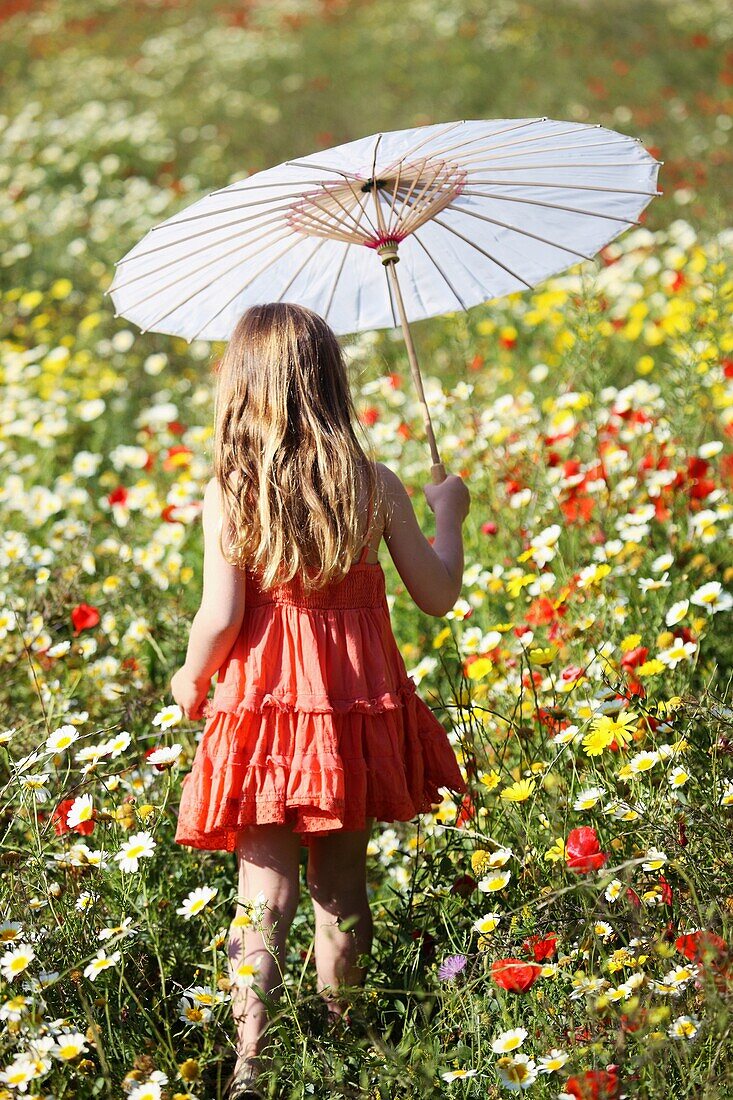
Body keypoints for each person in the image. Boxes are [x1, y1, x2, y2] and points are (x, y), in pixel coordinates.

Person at [170, 302, 470, 1099]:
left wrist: (193, 678)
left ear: (241, 389)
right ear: (330, 382)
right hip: (353, 712)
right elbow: (436, 595)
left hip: (264, 715)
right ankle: (349, 1046)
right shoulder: (373, 485)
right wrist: (450, 518)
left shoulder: (231, 491)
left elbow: (223, 615)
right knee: (343, 893)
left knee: (262, 896)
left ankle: (250, 1064)